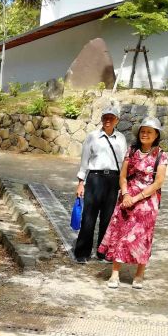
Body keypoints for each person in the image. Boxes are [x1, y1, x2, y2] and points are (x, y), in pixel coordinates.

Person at [97, 117, 168, 289]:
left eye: (149, 132)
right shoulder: (131, 151)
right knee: (120, 233)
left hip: (147, 202)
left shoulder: (161, 156)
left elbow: (158, 182)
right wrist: (126, 194)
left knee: (143, 237)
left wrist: (136, 198)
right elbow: (123, 176)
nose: (145, 134)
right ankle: (115, 273)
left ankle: (139, 274)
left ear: (156, 135)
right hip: (127, 197)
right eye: (143, 131)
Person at [73, 105, 127, 263]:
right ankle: (82, 252)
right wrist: (81, 183)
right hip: (95, 178)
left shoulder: (121, 138)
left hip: (113, 180)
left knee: (108, 217)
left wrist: (124, 186)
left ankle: (103, 252)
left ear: (117, 120)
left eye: (111, 118)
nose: (108, 120)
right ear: (102, 119)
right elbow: (84, 161)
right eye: (105, 117)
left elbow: (124, 162)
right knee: (89, 216)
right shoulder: (92, 136)